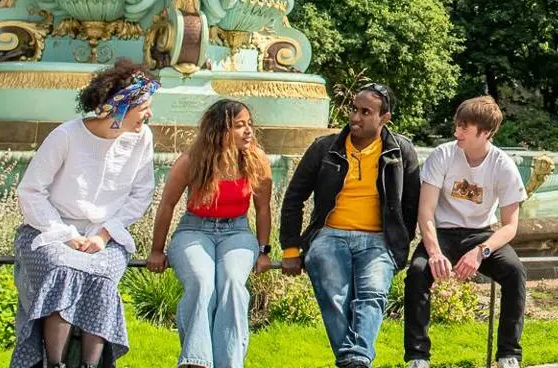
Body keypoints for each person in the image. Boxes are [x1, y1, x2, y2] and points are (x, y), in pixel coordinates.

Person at [11, 60, 160, 368]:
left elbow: (141, 193)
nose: (149, 114)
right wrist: (66, 235)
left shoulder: (142, 139)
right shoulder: (66, 135)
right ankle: (54, 364)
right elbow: (31, 191)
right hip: (48, 233)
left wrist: (104, 234)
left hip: (106, 237)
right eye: (144, 107)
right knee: (63, 271)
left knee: (102, 278)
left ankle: (91, 366)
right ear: (119, 106)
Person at [280, 84, 422, 368]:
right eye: (353, 109)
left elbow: (411, 205)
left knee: (373, 293)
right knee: (334, 291)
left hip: (378, 239)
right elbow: (294, 197)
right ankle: (356, 359)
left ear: (385, 118)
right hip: (329, 236)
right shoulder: (324, 148)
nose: (355, 117)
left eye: (365, 112)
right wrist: (290, 249)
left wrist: (398, 246)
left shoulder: (401, 151)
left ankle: (352, 360)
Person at [146, 100, 274, 368]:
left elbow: (262, 209)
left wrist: (264, 251)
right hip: (194, 230)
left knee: (232, 284)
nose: (248, 131)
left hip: (237, 231)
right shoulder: (192, 161)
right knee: (203, 282)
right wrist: (157, 250)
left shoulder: (257, 160)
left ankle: (229, 363)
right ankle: (196, 362)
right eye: (239, 126)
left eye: (249, 124)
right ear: (220, 130)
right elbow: (167, 205)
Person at [404, 97, 530, 368]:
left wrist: (481, 251)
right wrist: (435, 252)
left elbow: (510, 226)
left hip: (481, 235)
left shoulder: (503, 166)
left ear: (485, 133)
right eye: (457, 126)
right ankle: (417, 357)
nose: (456, 133)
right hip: (443, 234)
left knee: (515, 272)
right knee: (417, 272)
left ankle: (508, 355)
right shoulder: (443, 155)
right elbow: (425, 212)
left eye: (464, 128)